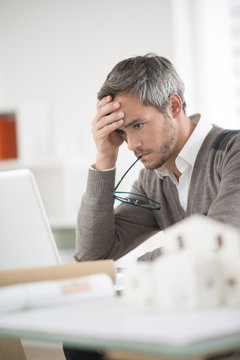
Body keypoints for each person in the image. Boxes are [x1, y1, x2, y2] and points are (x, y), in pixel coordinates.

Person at [64, 53, 240, 359]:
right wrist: (105, 158)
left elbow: (214, 244)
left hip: (227, 316)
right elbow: (94, 253)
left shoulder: (233, 153)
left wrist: (137, 273)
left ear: (173, 106)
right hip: (196, 310)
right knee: (83, 341)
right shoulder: (153, 177)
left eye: (138, 125)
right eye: (122, 132)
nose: (131, 144)